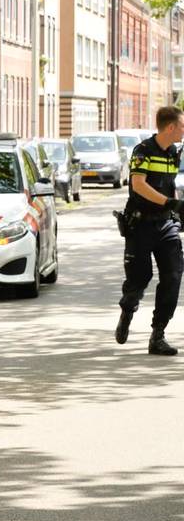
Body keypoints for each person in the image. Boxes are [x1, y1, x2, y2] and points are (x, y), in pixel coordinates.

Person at [116, 105, 184, 355]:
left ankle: (158, 335)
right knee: (139, 278)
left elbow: (169, 185)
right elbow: (139, 185)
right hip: (141, 225)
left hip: (165, 225)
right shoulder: (143, 151)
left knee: (173, 277)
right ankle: (127, 311)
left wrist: (175, 210)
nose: (183, 130)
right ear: (170, 127)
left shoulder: (173, 152)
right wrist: (169, 202)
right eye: (182, 126)